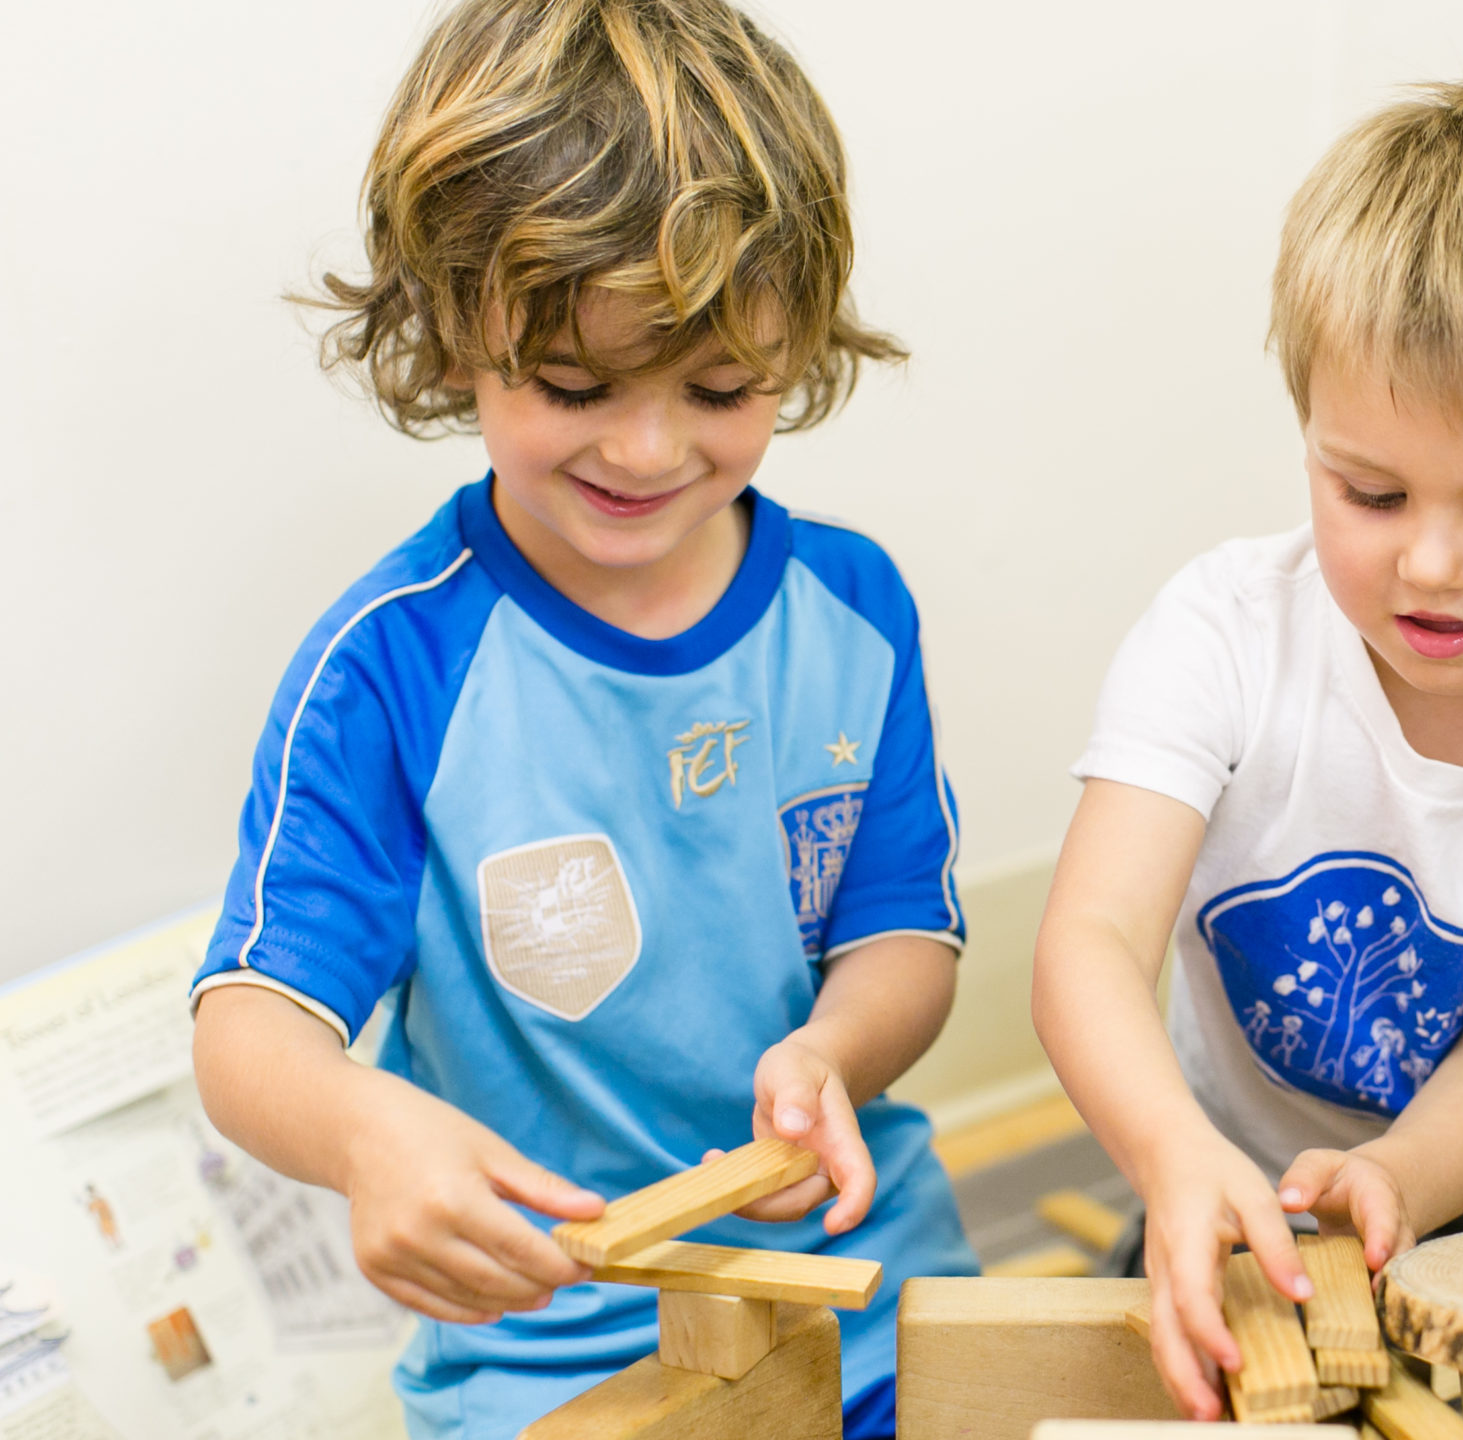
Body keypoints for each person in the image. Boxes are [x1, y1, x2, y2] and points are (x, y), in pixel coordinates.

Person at [186, 3, 974, 1435]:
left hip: (863, 1293)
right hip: (547, 1347)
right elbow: (251, 1026)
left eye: (722, 389)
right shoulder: (390, 667)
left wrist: (834, 1055)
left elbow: (902, 936)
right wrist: (369, 1132)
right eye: (572, 387)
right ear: (450, 335)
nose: (650, 449)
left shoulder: (854, 614)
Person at [1031, 63, 1463, 1420]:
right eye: (1369, 490)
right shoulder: (1224, 634)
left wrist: (1398, 1183)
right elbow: (1089, 942)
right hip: (1228, 1193)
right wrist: (1173, 1156)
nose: (1428, 564)